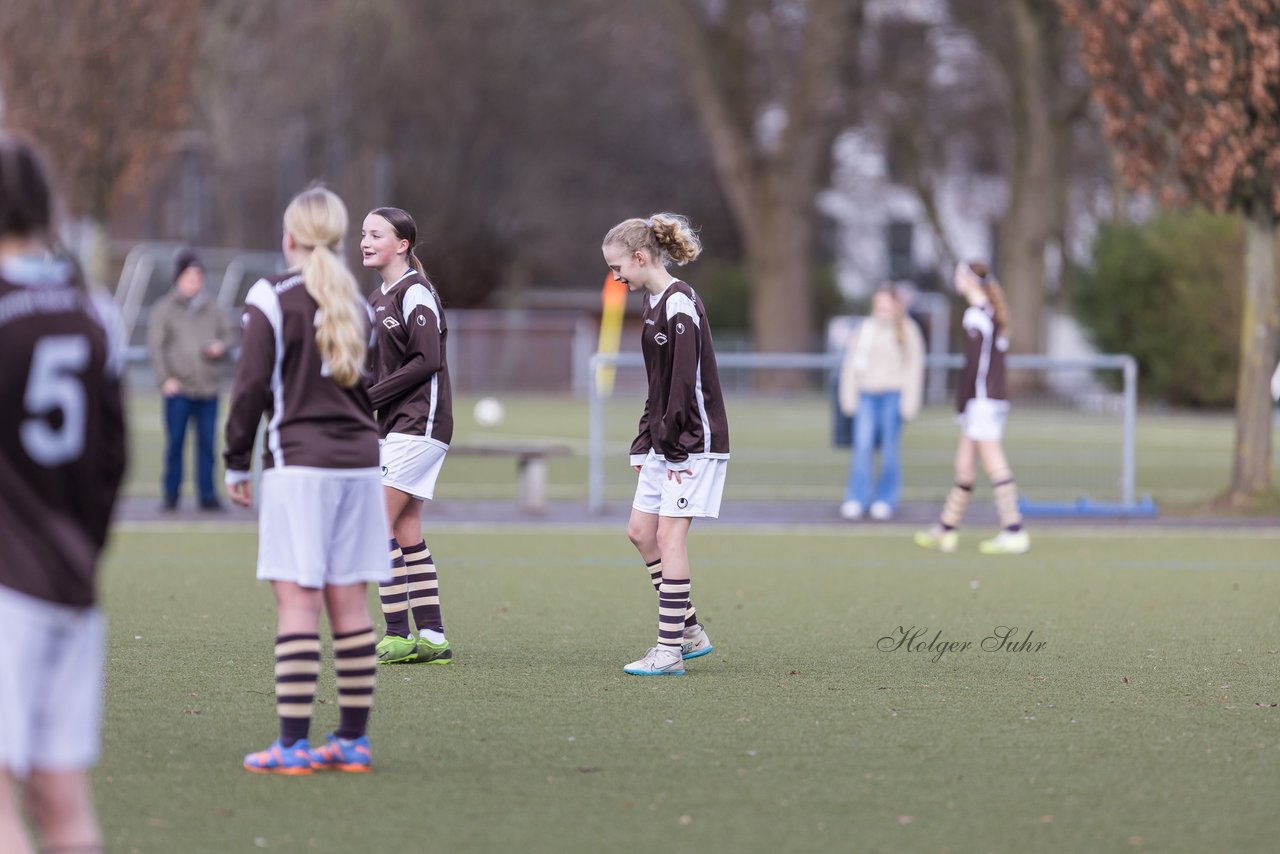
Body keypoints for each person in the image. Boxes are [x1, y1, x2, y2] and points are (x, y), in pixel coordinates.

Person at [224, 186, 386, 774]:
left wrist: (235, 460)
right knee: (350, 604)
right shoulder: (359, 301)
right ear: (341, 239)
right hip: (362, 466)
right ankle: (352, 741)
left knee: (297, 602)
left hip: (301, 466)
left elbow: (248, 387)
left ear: (289, 237)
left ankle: (292, 745)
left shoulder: (272, 295)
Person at [0, 133, 127, 854]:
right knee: (63, 802)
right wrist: (82, 546)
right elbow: (113, 456)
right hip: (70, 580)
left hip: (5, 577)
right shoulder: (93, 309)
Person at [601, 212, 728, 677]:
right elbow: (656, 388)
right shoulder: (654, 304)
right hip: (668, 441)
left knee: (670, 537)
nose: (615, 276)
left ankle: (669, 650)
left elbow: (682, 387)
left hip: (692, 441)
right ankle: (690, 630)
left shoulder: (679, 304)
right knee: (640, 531)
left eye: (618, 267)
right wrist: (644, 443)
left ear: (640, 257)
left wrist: (674, 449)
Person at [359, 207, 453, 665]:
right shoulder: (378, 297)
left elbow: (427, 360)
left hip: (421, 422)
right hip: (396, 426)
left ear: (403, 245)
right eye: (363, 234)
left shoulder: (416, 292)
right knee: (404, 528)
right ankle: (432, 638)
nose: (365, 240)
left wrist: (369, 396)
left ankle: (397, 634)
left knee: (375, 525)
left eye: (376, 234)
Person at [915, 261, 1030, 554]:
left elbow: (974, 368)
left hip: (982, 401)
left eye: (959, 274)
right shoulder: (990, 314)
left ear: (970, 280)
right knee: (964, 467)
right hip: (988, 400)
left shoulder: (976, 316)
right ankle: (946, 528)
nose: (955, 279)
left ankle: (1014, 530)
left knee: (994, 463)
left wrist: (963, 402)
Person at [147, 247, 235, 510]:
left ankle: (207, 495)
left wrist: (221, 346)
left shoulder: (213, 308)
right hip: (179, 389)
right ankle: (170, 494)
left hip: (208, 388)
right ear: (179, 279)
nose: (195, 282)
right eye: (190, 277)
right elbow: (156, 347)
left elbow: (231, 334)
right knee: (175, 444)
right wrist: (165, 380)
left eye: (198, 277)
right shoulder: (165, 309)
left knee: (207, 446)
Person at [838, 284, 925, 521]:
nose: (882, 310)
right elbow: (850, 366)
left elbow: (914, 367)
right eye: (878, 305)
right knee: (862, 447)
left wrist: (910, 402)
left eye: (886, 305)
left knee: (889, 450)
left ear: (896, 305)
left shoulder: (908, 330)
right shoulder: (865, 329)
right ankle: (857, 497)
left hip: (893, 397)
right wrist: (848, 396)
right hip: (866, 395)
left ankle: (885, 499)